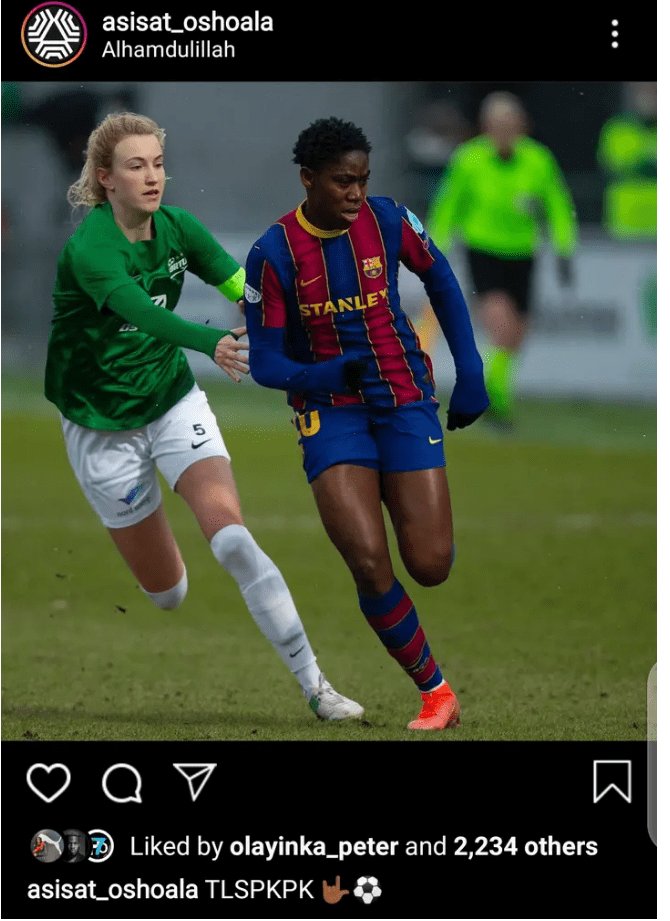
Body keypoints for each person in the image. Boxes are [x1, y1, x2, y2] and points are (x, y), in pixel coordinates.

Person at [43, 111, 362, 723]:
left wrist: (295, 321)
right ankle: (161, 563)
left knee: (232, 536)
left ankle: (317, 686)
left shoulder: (179, 228)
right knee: (169, 593)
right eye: (136, 166)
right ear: (106, 179)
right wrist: (210, 340)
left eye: (158, 164)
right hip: (100, 428)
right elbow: (144, 312)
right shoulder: (90, 249)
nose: (152, 177)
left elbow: (241, 285)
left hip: (171, 400)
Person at [243, 117, 489, 730]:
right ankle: (436, 693)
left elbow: (441, 279)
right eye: (342, 181)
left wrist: (471, 371)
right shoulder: (273, 253)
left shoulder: (389, 220)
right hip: (330, 411)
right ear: (308, 179)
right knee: (368, 560)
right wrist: (325, 374)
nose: (355, 193)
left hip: (403, 397)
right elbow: (266, 362)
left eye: (363, 180)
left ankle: (405, 492)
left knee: (430, 564)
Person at [427, 91, 579, 428]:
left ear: (522, 125)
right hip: (483, 250)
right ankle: (489, 397)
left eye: (511, 123)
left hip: (523, 253)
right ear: (486, 126)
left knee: (517, 335)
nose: (505, 131)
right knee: (502, 326)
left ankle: (493, 392)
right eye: (498, 124)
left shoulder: (538, 160)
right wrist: (434, 250)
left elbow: (557, 205)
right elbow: (448, 205)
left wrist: (564, 248)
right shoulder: (469, 159)